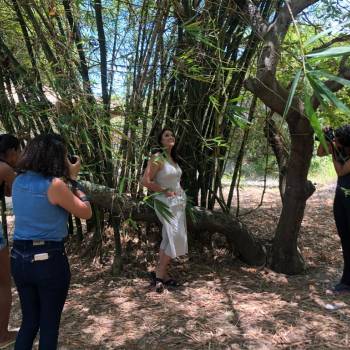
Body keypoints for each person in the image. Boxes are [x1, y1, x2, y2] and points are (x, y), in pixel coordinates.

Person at [11, 134, 92, 349]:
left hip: (19, 258)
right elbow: (86, 213)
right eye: (64, 156)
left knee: (29, 322)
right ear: (55, 157)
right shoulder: (55, 185)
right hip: (48, 261)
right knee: (48, 326)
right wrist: (74, 179)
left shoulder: (18, 180)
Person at [141, 128, 188, 293]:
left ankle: (161, 276)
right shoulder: (157, 157)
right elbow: (145, 181)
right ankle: (160, 274)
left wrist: (181, 195)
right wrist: (163, 191)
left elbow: (175, 181)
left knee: (168, 237)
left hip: (178, 202)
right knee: (177, 236)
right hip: (165, 202)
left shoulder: (173, 159)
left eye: (172, 134)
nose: (171, 137)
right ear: (160, 140)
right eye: (166, 135)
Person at [317, 125, 350, 293]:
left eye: (337, 140)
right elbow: (320, 152)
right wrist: (326, 139)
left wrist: (335, 153)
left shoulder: (342, 151)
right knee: (344, 237)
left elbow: (341, 171)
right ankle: (347, 279)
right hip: (341, 197)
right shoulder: (340, 146)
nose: (335, 141)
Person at [0, 134, 20, 349]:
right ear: (11, 151)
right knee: (4, 282)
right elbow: (18, 193)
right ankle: (2, 335)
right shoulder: (5, 169)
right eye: (19, 151)